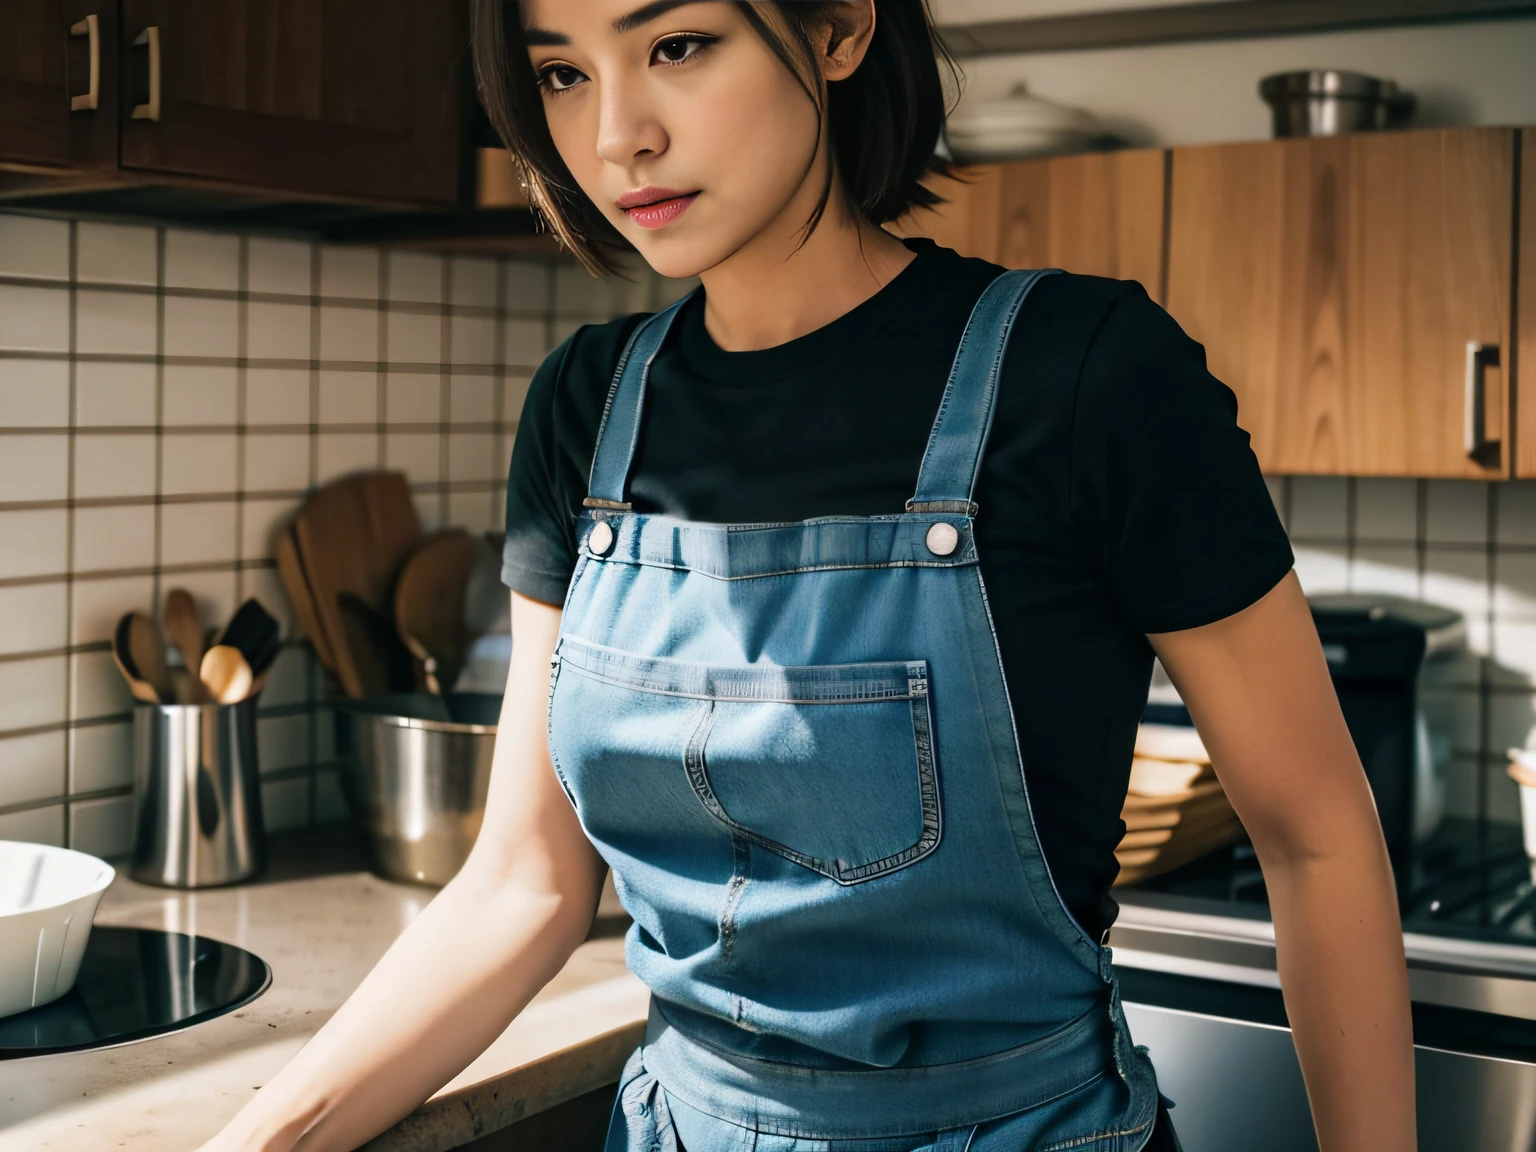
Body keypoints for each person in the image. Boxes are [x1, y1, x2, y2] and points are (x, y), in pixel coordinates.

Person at [197, 2, 1417, 1150]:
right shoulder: (587, 406)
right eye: (562, 72)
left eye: (677, 44)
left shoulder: (1088, 374)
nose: (618, 135)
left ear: (836, 29)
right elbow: (522, 883)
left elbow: (1316, 835)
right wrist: (264, 1136)